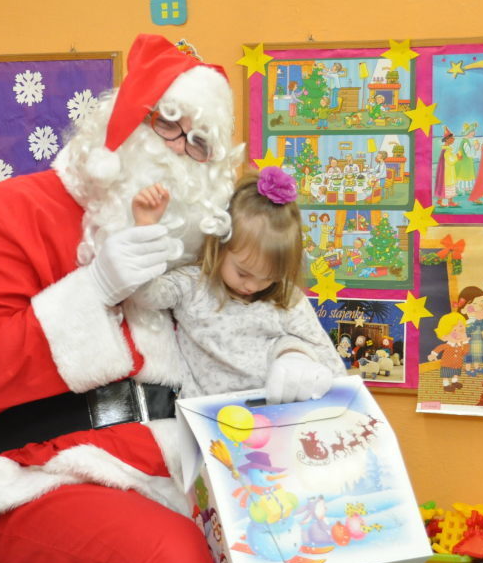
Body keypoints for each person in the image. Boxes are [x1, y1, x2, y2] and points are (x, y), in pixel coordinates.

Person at [0, 34, 243, 563]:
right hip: (46, 479)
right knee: (172, 560)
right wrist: (95, 288)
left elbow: (243, 345)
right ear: (124, 122)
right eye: (168, 124)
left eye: (200, 144)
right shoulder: (6, 213)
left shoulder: (196, 254)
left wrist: (294, 360)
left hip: (181, 476)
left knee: (302, 549)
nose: (180, 150)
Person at [129, 167, 344, 400]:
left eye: (268, 277)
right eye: (243, 273)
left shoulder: (285, 297)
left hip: (272, 411)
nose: (251, 286)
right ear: (220, 246)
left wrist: (305, 362)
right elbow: (143, 294)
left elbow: (331, 364)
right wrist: (145, 227)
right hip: (205, 413)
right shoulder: (192, 284)